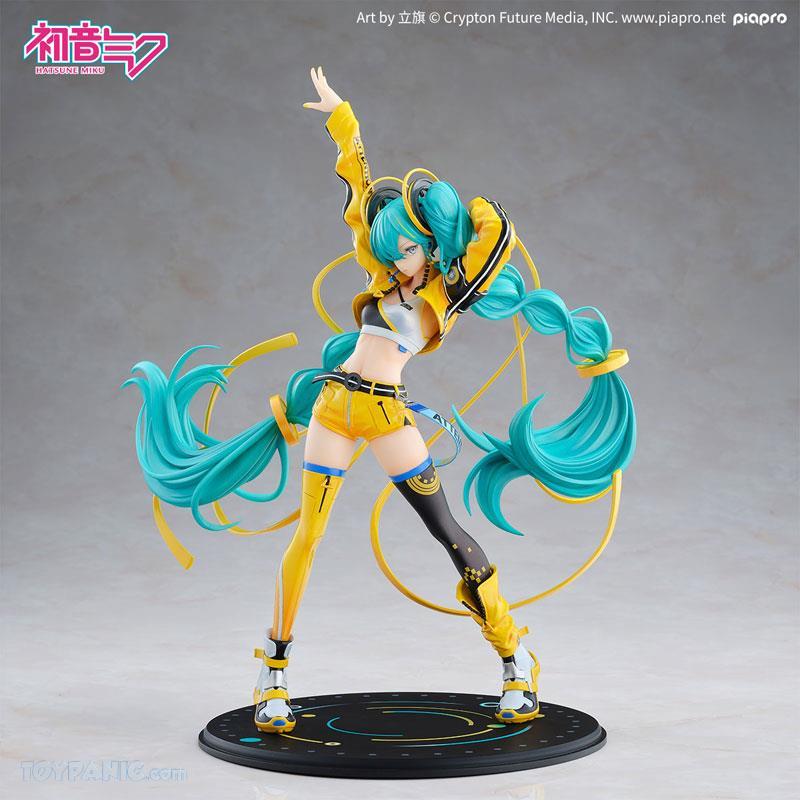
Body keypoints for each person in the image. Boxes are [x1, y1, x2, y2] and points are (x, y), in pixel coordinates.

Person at [125, 67, 636, 735]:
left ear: (433, 248)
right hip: (336, 409)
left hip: (389, 416)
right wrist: (344, 121)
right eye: (390, 248)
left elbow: (494, 229)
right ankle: (273, 673)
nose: (395, 258)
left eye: (407, 248)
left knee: (447, 532)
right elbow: (358, 190)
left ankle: (515, 660)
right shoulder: (379, 275)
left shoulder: (450, 293)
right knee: (309, 535)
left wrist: (453, 211)